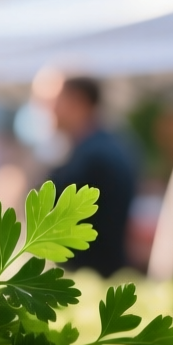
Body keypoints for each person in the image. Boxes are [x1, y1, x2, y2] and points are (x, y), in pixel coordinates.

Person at [47, 75, 138, 276]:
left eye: (53, 100)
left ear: (78, 102)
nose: (47, 109)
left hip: (92, 276)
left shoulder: (94, 156)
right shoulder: (109, 144)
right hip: (103, 273)